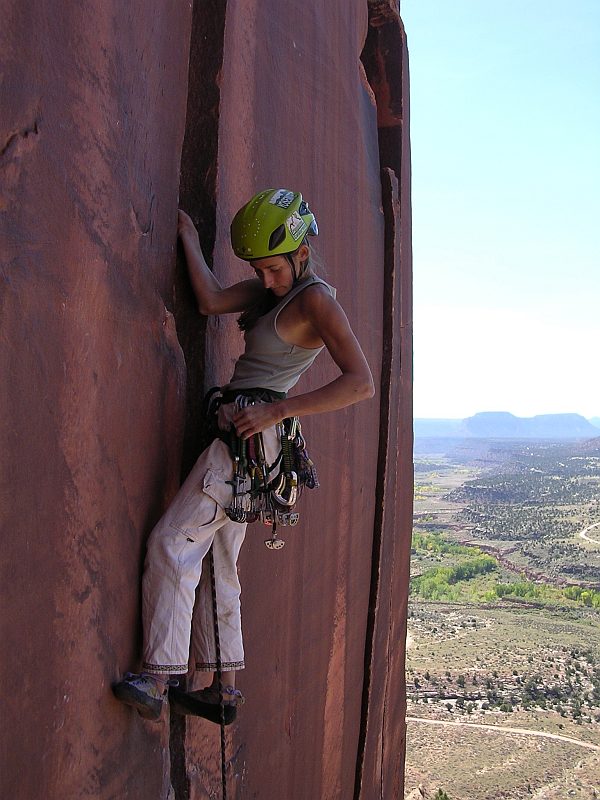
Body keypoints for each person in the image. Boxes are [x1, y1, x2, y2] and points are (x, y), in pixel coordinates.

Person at [113, 188, 374, 723]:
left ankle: (159, 680)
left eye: (275, 268)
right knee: (219, 559)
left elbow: (361, 383)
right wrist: (185, 232)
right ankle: (223, 687)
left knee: (172, 543)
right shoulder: (271, 295)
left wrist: (278, 412)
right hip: (256, 443)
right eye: (259, 270)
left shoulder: (315, 300)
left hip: (250, 439)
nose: (267, 279)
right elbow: (209, 300)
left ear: (301, 252)